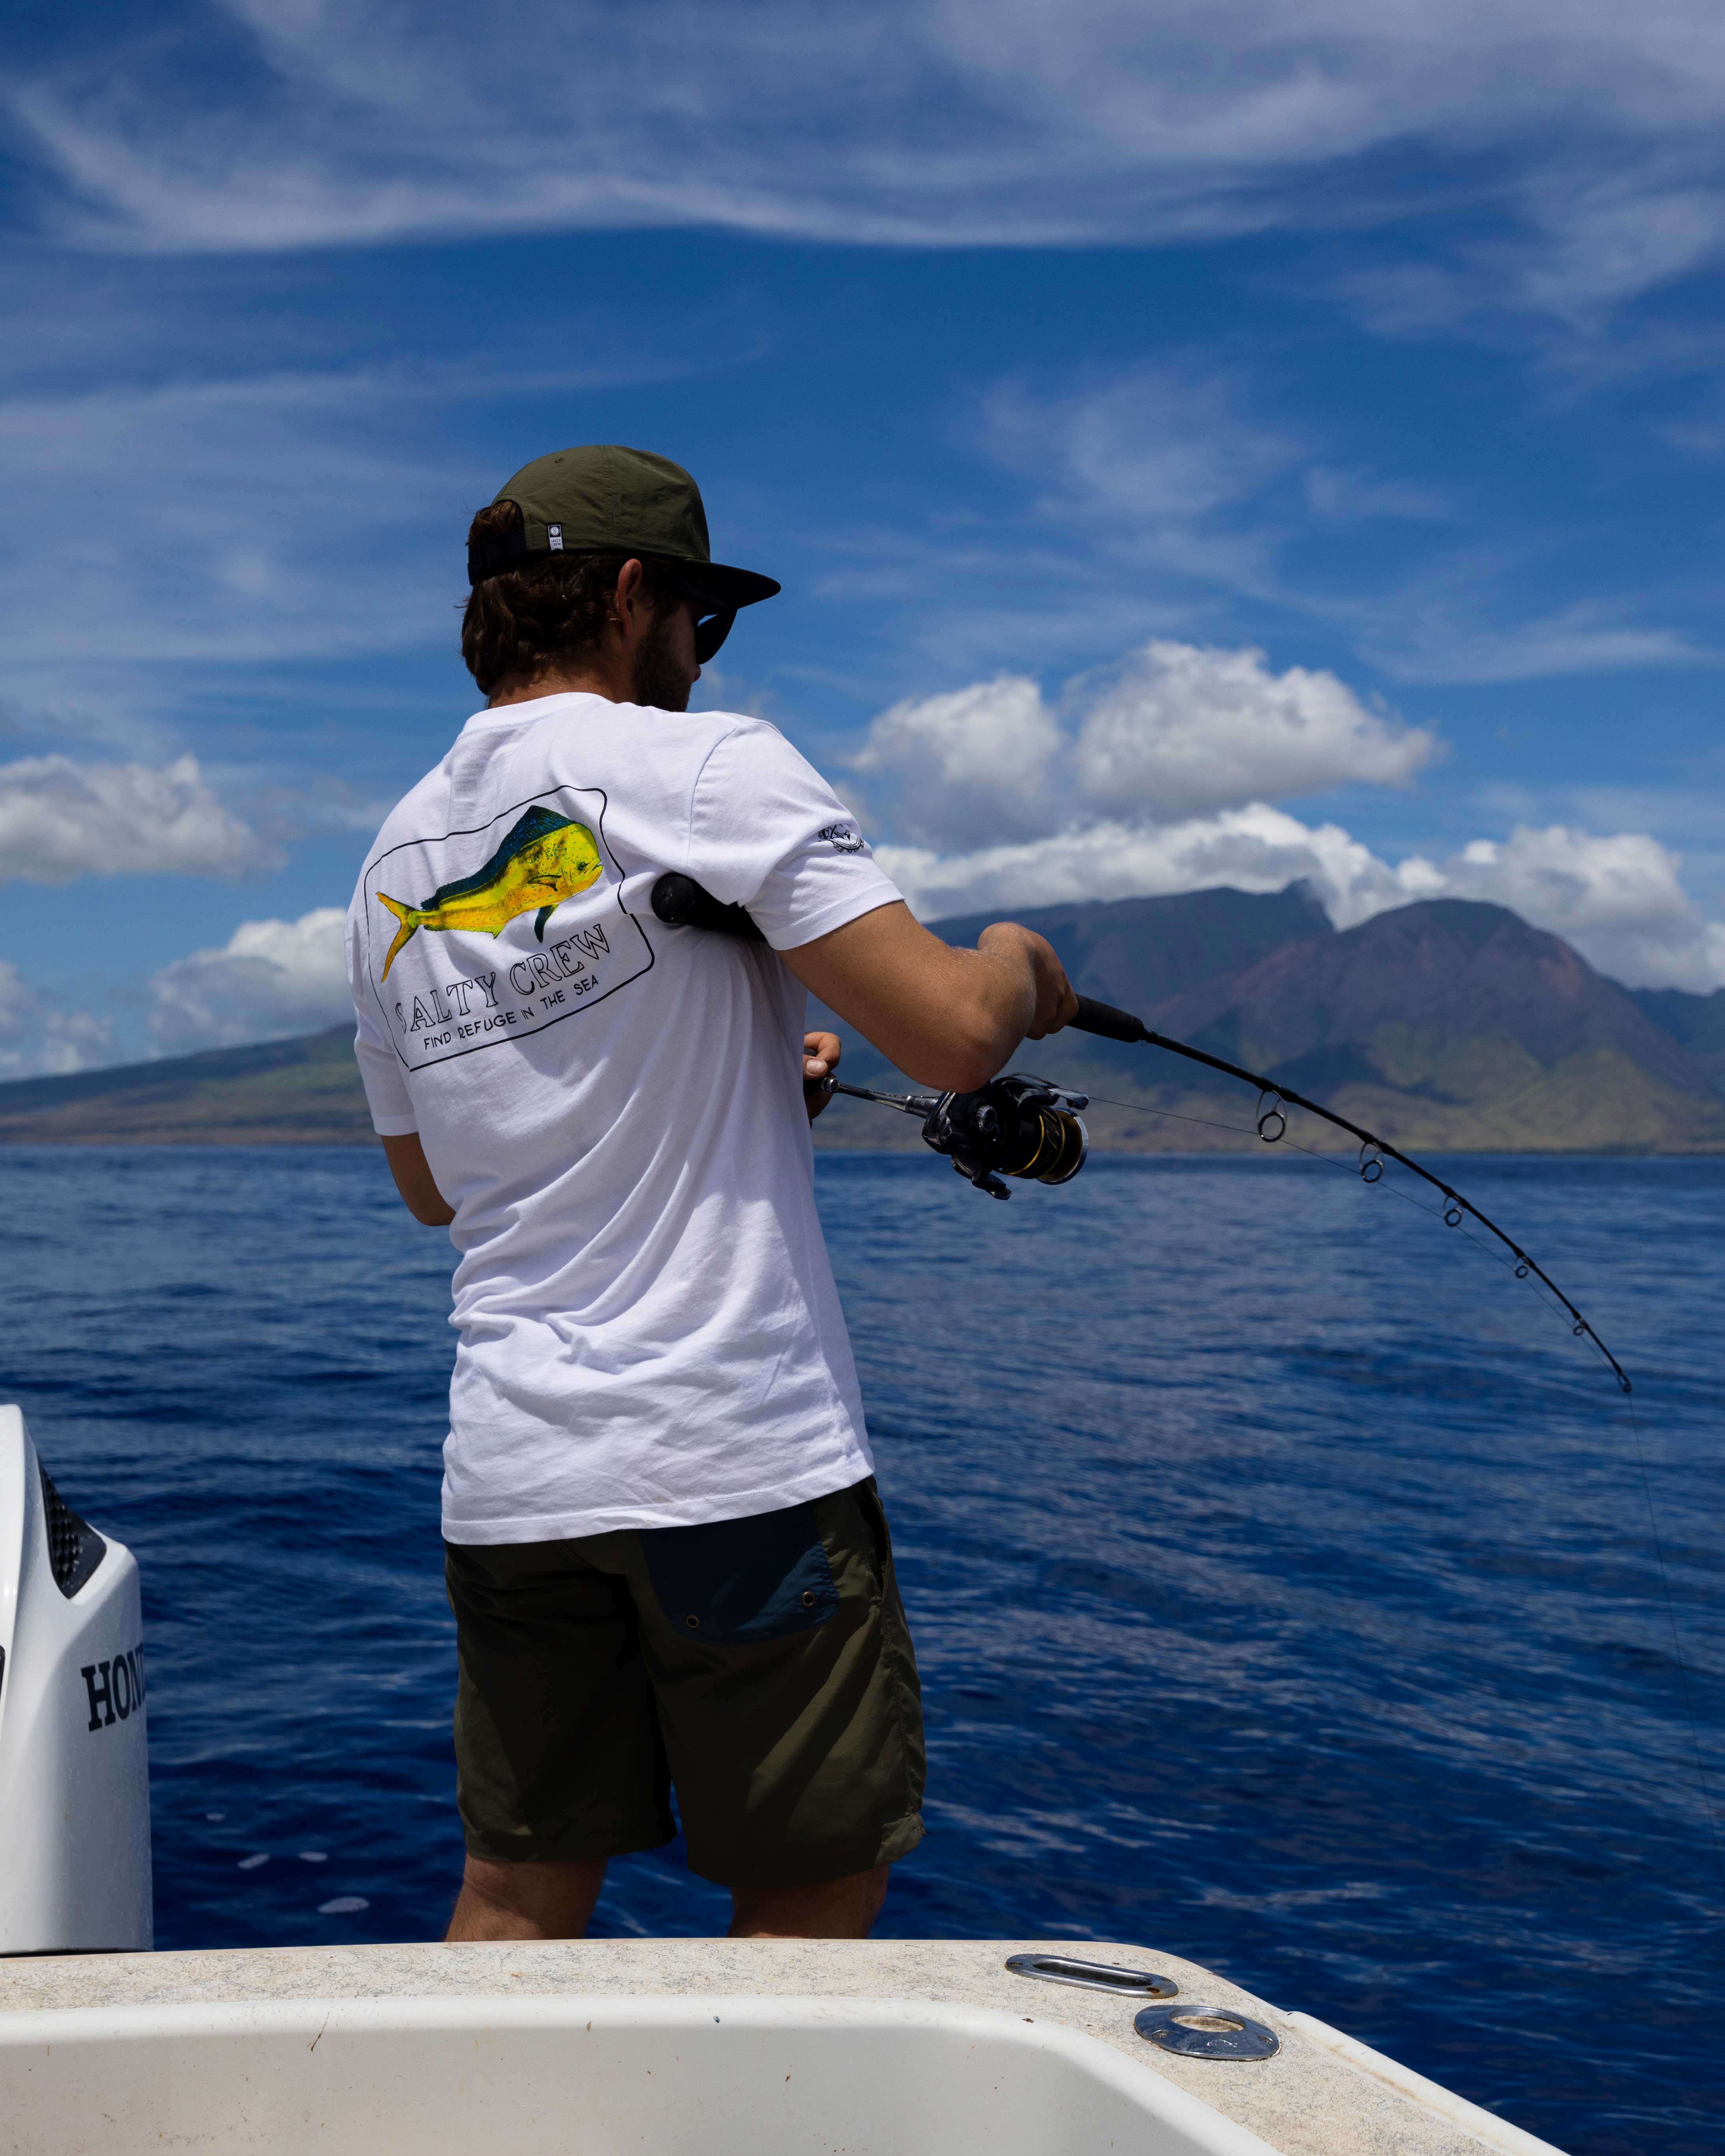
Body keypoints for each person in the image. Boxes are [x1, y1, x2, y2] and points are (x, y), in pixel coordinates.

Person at [345, 443, 1076, 1944]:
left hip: (510, 1480)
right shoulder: (706, 764)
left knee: (521, 1886)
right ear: (630, 599)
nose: (701, 656)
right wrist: (1016, 965)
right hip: (729, 1463)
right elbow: (946, 1031)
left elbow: (435, 1184)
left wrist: (744, 1077)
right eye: (701, 619)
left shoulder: (390, 863)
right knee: (811, 1882)